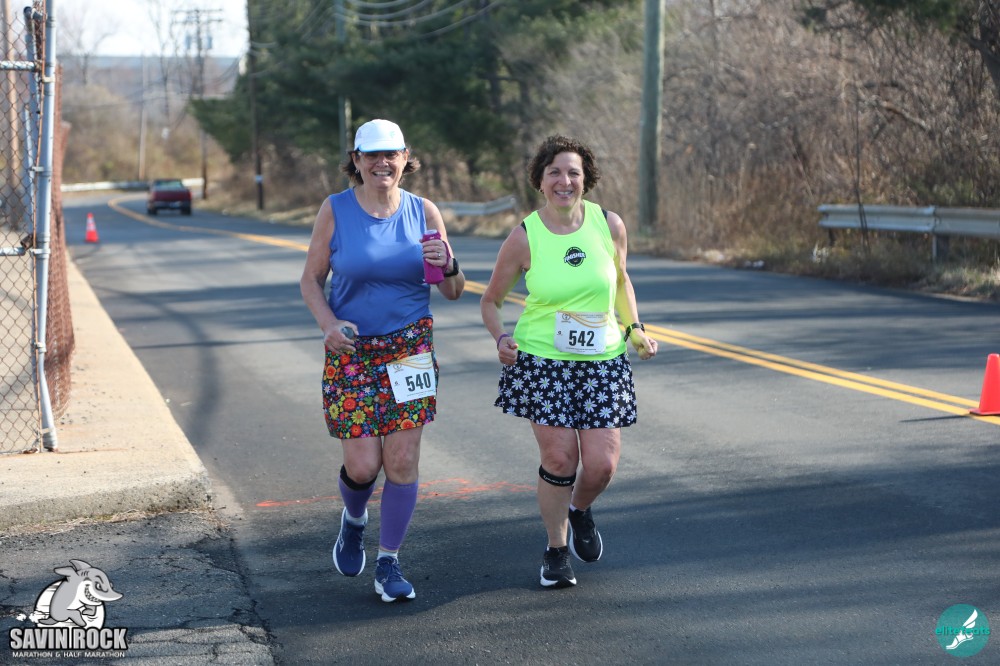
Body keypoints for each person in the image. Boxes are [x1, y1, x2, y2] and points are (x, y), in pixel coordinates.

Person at [480, 135, 658, 589]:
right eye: (554, 172)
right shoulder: (524, 237)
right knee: (559, 459)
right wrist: (501, 337)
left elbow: (621, 281)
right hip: (543, 361)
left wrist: (634, 327)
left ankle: (579, 509)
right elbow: (491, 300)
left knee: (602, 465)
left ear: (586, 179)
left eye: (573, 172)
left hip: (602, 361)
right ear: (540, 181)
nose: (565, 181)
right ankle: (556, 550)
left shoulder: (609, 224)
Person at [300, 119, 465, 602]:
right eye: (371, 155)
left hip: (410, 348)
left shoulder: (423, 212)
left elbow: (453, 290)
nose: (382, 163)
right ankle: (354, 519)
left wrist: (449, 264)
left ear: (405, 157)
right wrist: (328, 324)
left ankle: (388, 562)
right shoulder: (335, 210)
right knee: (363, 465)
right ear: (356, 160)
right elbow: (311, 280)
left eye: (390, 154)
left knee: (402, 459)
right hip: (352, 350)